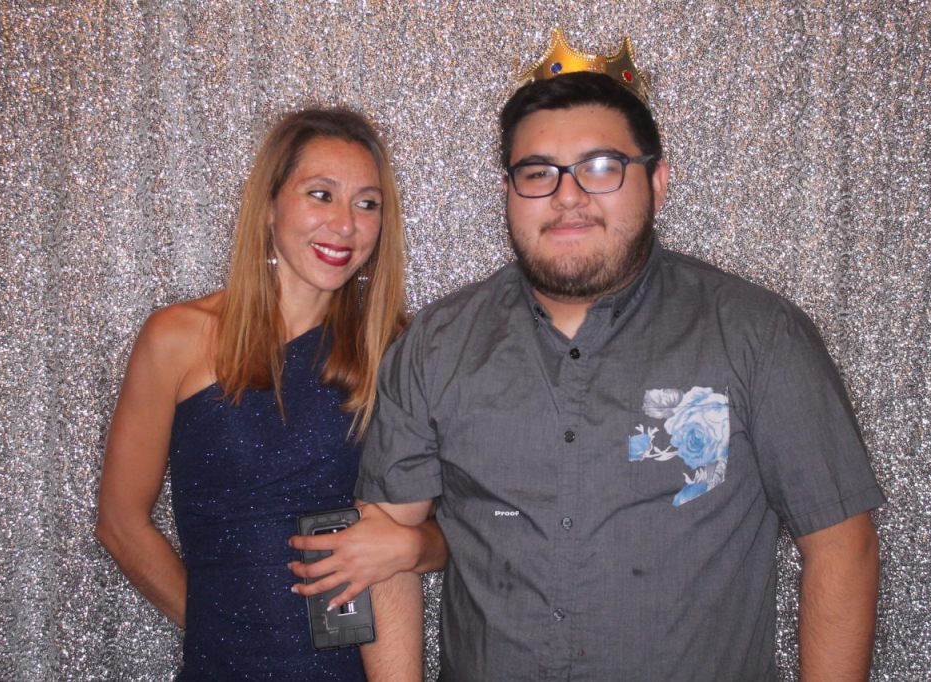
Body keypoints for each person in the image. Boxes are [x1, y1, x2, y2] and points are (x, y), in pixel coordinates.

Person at [355, 32, 885, 682]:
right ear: (508, 190)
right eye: (538, 172)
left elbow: (841, 546)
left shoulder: (759, 336)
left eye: (602, 166)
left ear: (657, 182)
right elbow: (381, 546)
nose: (567, 196)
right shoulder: (437, 346)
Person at [96, 108, 441, 680]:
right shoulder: (176, 338)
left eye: (367, 204)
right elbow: (120, 522)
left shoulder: (398, 353)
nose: (345, 224)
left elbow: (462, 531)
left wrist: (414, 548)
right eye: (321, 195)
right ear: (269, 206)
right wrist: (218, 633)